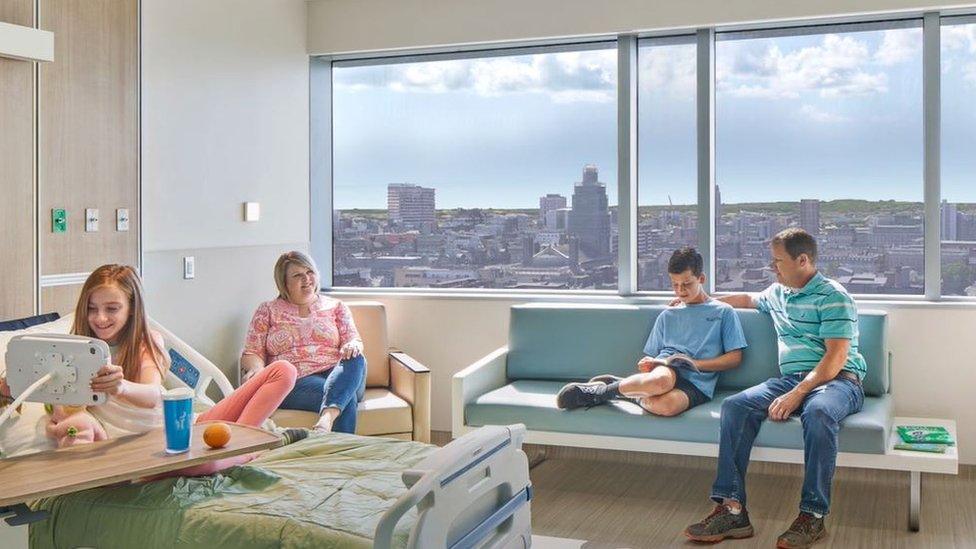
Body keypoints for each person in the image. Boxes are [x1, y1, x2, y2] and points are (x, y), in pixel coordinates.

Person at [684, 228, 867, 548]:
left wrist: (798, 393)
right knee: (735, 406)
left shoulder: (834, 296)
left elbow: (835, 358)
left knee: (820, 411)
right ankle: (732, 509)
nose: (773, 267)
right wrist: (700, 301)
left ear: (803, 260)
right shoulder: (778, 292)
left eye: (778, 261)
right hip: (791, 379)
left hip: (839, 380)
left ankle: (812, 516)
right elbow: (745, 299)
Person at [33, 264, 304, 475]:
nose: (100, 318)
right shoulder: (74, 349)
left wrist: (121, 386)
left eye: (112, 309)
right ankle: (252, 447)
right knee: (199, 467)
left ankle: (246, 444)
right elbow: (55, 398)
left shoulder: (146, 344)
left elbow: (152, 393)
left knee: (283, 371)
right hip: (147, 448)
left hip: (183, 427)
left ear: (131, 309)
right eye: (92, 309)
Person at [556, 247, 747, 416]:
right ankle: (597, 394)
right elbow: (652, 355)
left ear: (701, 279)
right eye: (675, 285)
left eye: (687, 284)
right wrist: (648, 364)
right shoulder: (668, 314)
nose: (680, 291)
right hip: (667, 370)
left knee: (667, 406)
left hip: (699, 384)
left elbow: (735, 358)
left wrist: (695, 363)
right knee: (661, 381)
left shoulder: (723, 312)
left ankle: (626, 392)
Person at [240, 251, 366, 433]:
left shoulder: (336, 306)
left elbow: (353, 339)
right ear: (284, 283)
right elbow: (252, 352)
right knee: (347, 397)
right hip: (297, 381)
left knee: (356, 358)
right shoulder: (267, 310)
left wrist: (352, 345)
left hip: (340, 372)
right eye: (298, 275)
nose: (306, 279)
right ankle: (331, 422)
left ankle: (327, 419)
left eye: (310, 272)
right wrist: (257, 371)